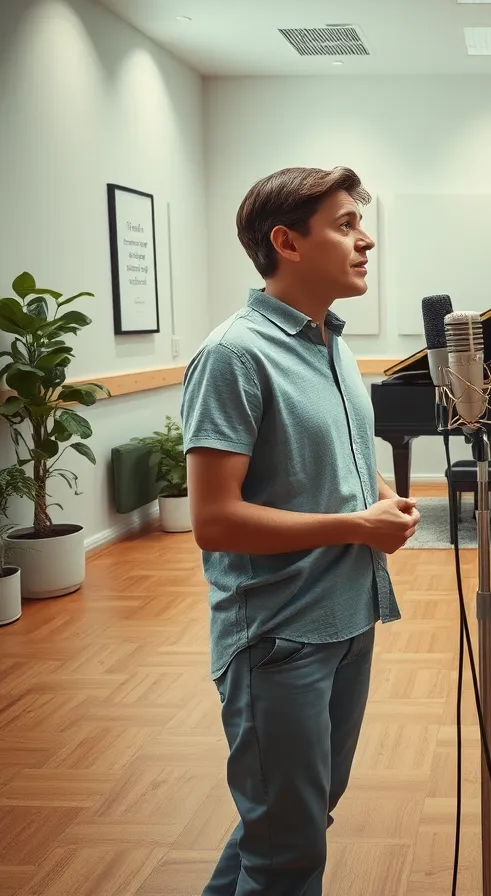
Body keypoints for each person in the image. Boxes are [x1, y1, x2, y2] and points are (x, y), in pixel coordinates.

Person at [181, 165, 420, 896]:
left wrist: (376, 491)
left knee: (296, 822)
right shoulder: (234, 355)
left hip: (349, 620)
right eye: (345, 225)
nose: (365, 239)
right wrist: (356, 522)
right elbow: (214, 520)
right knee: (288, 850)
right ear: (286, 241)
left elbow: (330, 461)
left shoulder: (332, 345)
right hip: (278, 642)